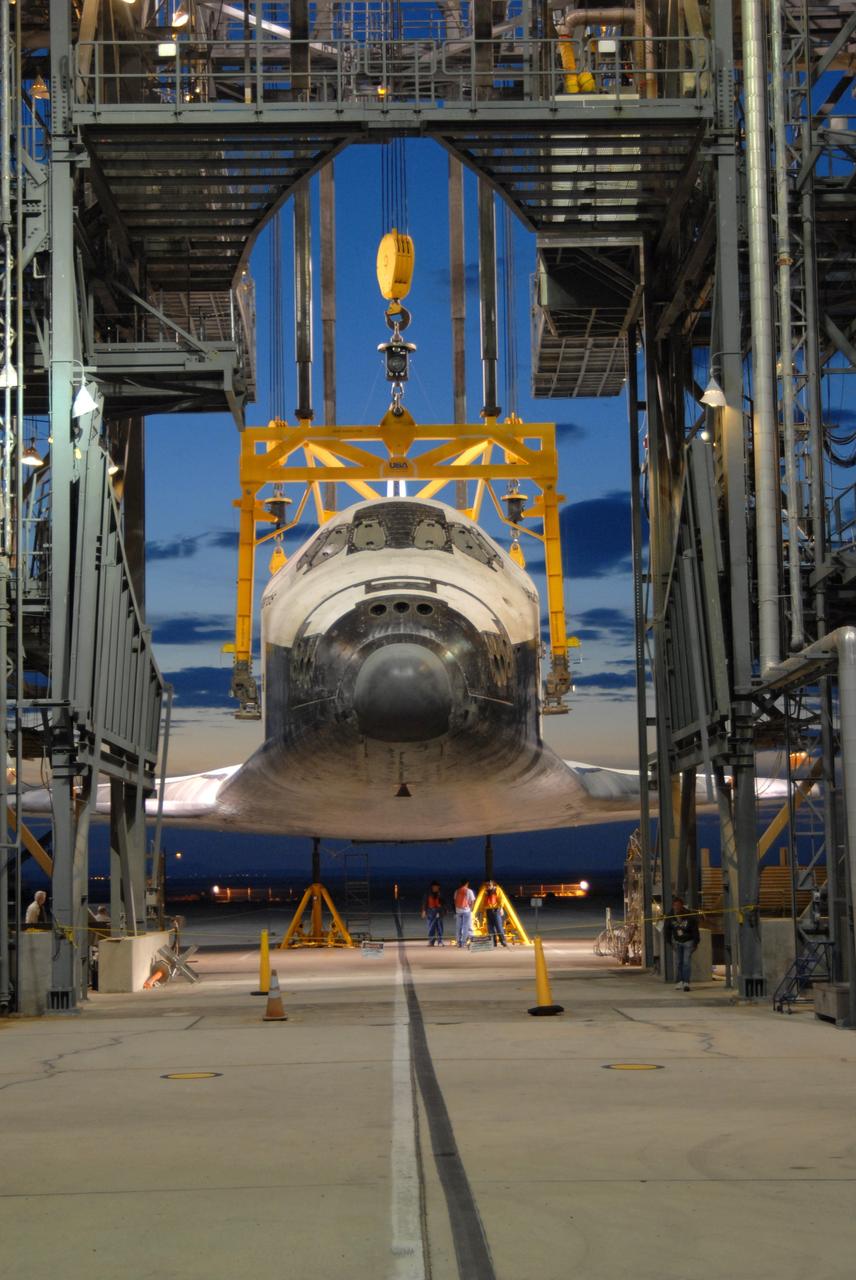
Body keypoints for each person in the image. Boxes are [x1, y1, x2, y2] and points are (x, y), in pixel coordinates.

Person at [664, 896, 699, 991]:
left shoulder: (689, 916)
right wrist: (669, 941)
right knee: (679, 962)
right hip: (677, 942)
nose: (677, 907)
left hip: (688, 941)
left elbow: (695, 930)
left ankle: (686, 982)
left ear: (682, 906)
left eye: (679, 905)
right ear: (673, 906)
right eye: (675, 905)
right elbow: (667, 929)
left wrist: (696, 943)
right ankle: (679, 981)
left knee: (686, 962)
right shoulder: (670, 916)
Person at [483, 880, 507, 947]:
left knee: (498, 926)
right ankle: (493, 942)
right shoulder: (486, 892)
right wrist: (483, 911)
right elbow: (484, 902)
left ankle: (503, 941)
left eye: (489, 885)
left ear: (492, 885)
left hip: (496, 910)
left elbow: (502, 899)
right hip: (488, 910)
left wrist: (501, 908)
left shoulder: (497, 890)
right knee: (490, 927)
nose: (488, 887)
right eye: (487, 885)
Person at [421, 882, 445, 946]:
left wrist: (444, 911)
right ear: (432, 887)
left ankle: (440, 941)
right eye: (434, 887)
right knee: (431, 927)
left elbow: (444, 903)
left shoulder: (441, 894)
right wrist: (424, 911)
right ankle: (431, 942)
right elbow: (424, 902)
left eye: (437, 887)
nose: (435, 888)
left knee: (440, 927)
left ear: (439, 887)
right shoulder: (428, 894)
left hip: (439, 911)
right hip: (430, 911)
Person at [454, 878, 475, 949]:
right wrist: (471, 909)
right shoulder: (469, 891)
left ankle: (458, 942)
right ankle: (463, 943)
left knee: (458, 927)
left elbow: (455, 901)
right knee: (466, 927)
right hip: (466, 911)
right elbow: (472, 901)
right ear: (467, 883)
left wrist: (456, 910)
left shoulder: (457, 891)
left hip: (458, 911)